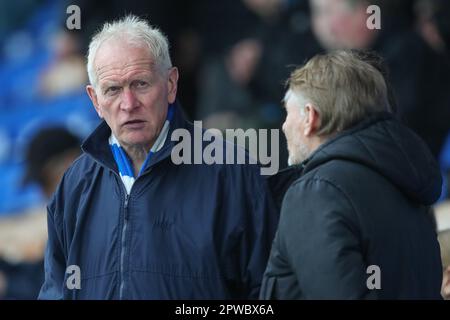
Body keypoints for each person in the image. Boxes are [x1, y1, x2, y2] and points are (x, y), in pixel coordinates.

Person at [38, 15, 278, 300]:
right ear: (95, 100)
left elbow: (267, 296)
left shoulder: (234, 173)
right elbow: (55, 291)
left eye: (140, 84)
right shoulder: (74, 185)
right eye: (113, 89)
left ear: (171, 84)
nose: (129, 104)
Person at [260, 50, 443, 299]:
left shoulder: (315, 193)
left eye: (288, 112)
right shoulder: (409, 187)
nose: (283, 125)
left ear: (310, 118)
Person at [0, 127, 81, 299]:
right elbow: (46, 270)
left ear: (69, 164)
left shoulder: (98, 214)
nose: (43, 193)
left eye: (45, 182)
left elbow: (71, 288)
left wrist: (7, 284)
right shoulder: (70, 221)